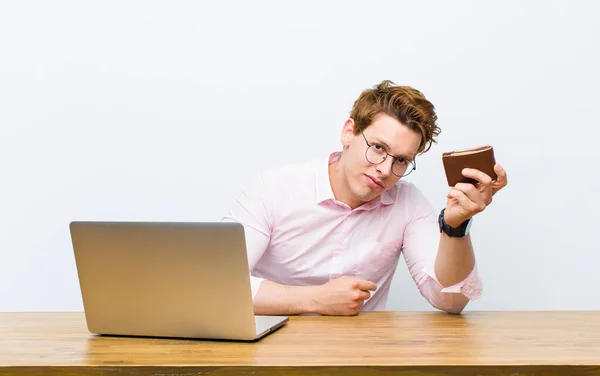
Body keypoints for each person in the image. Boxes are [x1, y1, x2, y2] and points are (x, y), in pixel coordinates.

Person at [222, 80, 508, 315]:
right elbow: (216, 284)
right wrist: (314, 299)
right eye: (379, 147)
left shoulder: (407, 203)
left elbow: (450, 301)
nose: (385, 169)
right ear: (349, 132)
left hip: (360, 356)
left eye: (401, 161)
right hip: (269, 353)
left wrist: (455, 227)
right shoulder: (274, 188)